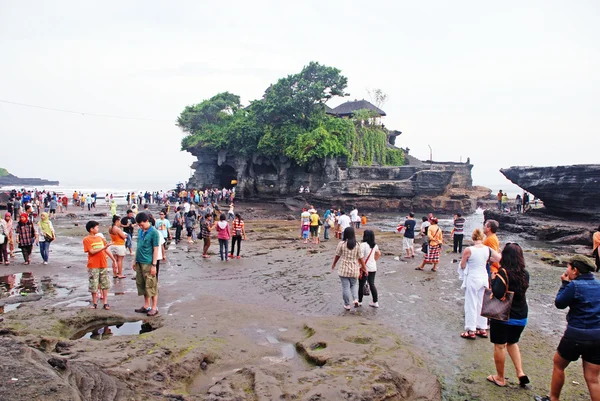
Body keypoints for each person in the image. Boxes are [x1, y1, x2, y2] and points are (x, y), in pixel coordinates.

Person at [534, 255, 600, 401]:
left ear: (575, 270)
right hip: (597, 335)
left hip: (575, 334)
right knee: (593, 378)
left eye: (568, 268)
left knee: (559, 364)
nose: (567, 271)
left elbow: (560, 303)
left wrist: (564, 284)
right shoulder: (599, 285)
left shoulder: (574, 286)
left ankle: (554, 398)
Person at [487, 243, 530, 388]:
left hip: (504, 316)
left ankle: (500, 378)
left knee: (500, 346)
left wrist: (493, 279)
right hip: (521, 315)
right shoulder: (525, 274)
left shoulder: (503, 272)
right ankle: (520, 372)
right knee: (512, 342)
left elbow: (499, 294)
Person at [459, 229, 501, 339]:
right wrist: (488, 259)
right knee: (482, 303)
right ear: (482, 238)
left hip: (473, 278)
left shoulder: (469, 250)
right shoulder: (487, 249)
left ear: (473, 238)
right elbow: (498, 258)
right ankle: (482, 328)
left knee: (471, 303)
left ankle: (470, 330)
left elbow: (463, 265)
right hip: (484, 278)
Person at [332, 227, 367, 310]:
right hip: (354, 269)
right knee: (354, 285)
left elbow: (337, 255)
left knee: (345, 287)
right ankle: (355, 299)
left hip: (344, 269)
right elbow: (361, 258)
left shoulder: (342, 244)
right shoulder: (358, 245)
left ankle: (347, 305)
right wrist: (365, 269)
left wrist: (334, 264)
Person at [83, 220, 116, 309]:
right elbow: (92, 252)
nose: (98, 229)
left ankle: (105, 302)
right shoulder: (87, 239)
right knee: (94, 284)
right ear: (91, 229)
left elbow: (106, 249)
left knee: (105, 284)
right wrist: (103, 247)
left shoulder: (100, 238)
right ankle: (94, 303)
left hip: (103, 264)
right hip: (93, 265)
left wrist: (113, 260)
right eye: (97, 227)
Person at [132, 212, 160, 317]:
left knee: (151, 285)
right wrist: (134, 260)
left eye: (141, 224)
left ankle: (154, 307)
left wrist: (154, 265)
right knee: (142, 285)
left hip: (148, 262)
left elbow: (155, 249)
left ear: (147, 221)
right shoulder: (140, 231)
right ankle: (146, 305)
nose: (140, 226)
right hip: (139, 261)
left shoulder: (154, 232)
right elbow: (138, 246)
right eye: (139, 225)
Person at [358, 230, 381, 307]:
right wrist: (373, 260)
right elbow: (379, 254)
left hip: (364, 267)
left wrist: (363, 267)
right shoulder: (374, 245)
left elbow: (360, 257)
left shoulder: (362, 245)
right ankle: (375, 301)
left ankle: (360, 301)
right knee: (372, 284)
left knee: (361, 285)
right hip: (373, 267)